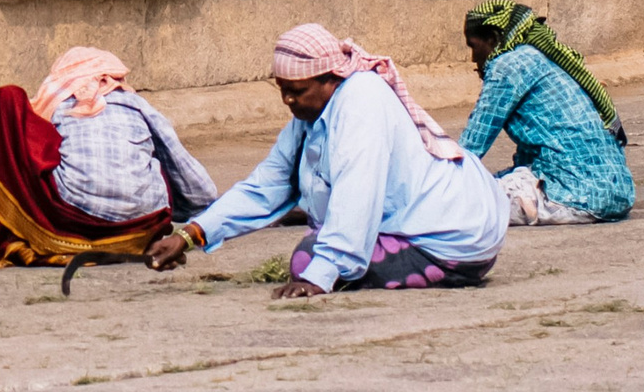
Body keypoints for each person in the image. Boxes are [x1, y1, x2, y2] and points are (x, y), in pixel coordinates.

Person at [145, 24, 507, 296]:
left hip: (451, 243)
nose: (287, 101)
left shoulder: (360, 102)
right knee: (314, 246)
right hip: (453, 236)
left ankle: (421, 270)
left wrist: (321, 276)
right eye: (282, 90)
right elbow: (265, 187)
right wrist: (190, 235)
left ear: (331, 78)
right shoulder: (310, 117)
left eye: (297, 91)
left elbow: (357, 192)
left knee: (308, 258)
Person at [0, 46, 217, 267]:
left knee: (9, 101)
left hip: (70, 216)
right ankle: (121, 237)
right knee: (156, 162)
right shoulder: (137, 104)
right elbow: (193, 182)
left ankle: (44, 229)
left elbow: (31, 162)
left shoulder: (55, 106)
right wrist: (195, 212)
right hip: (141, 226)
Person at [459, 0, 634, 225]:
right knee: (494, 182)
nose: (473, 58)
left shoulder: (508, 66)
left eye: (474, 46)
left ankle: (528, 202)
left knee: (459, 201)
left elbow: (471, 147)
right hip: (616, 193)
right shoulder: (542, 58)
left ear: (493, 39)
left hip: (575, 194)